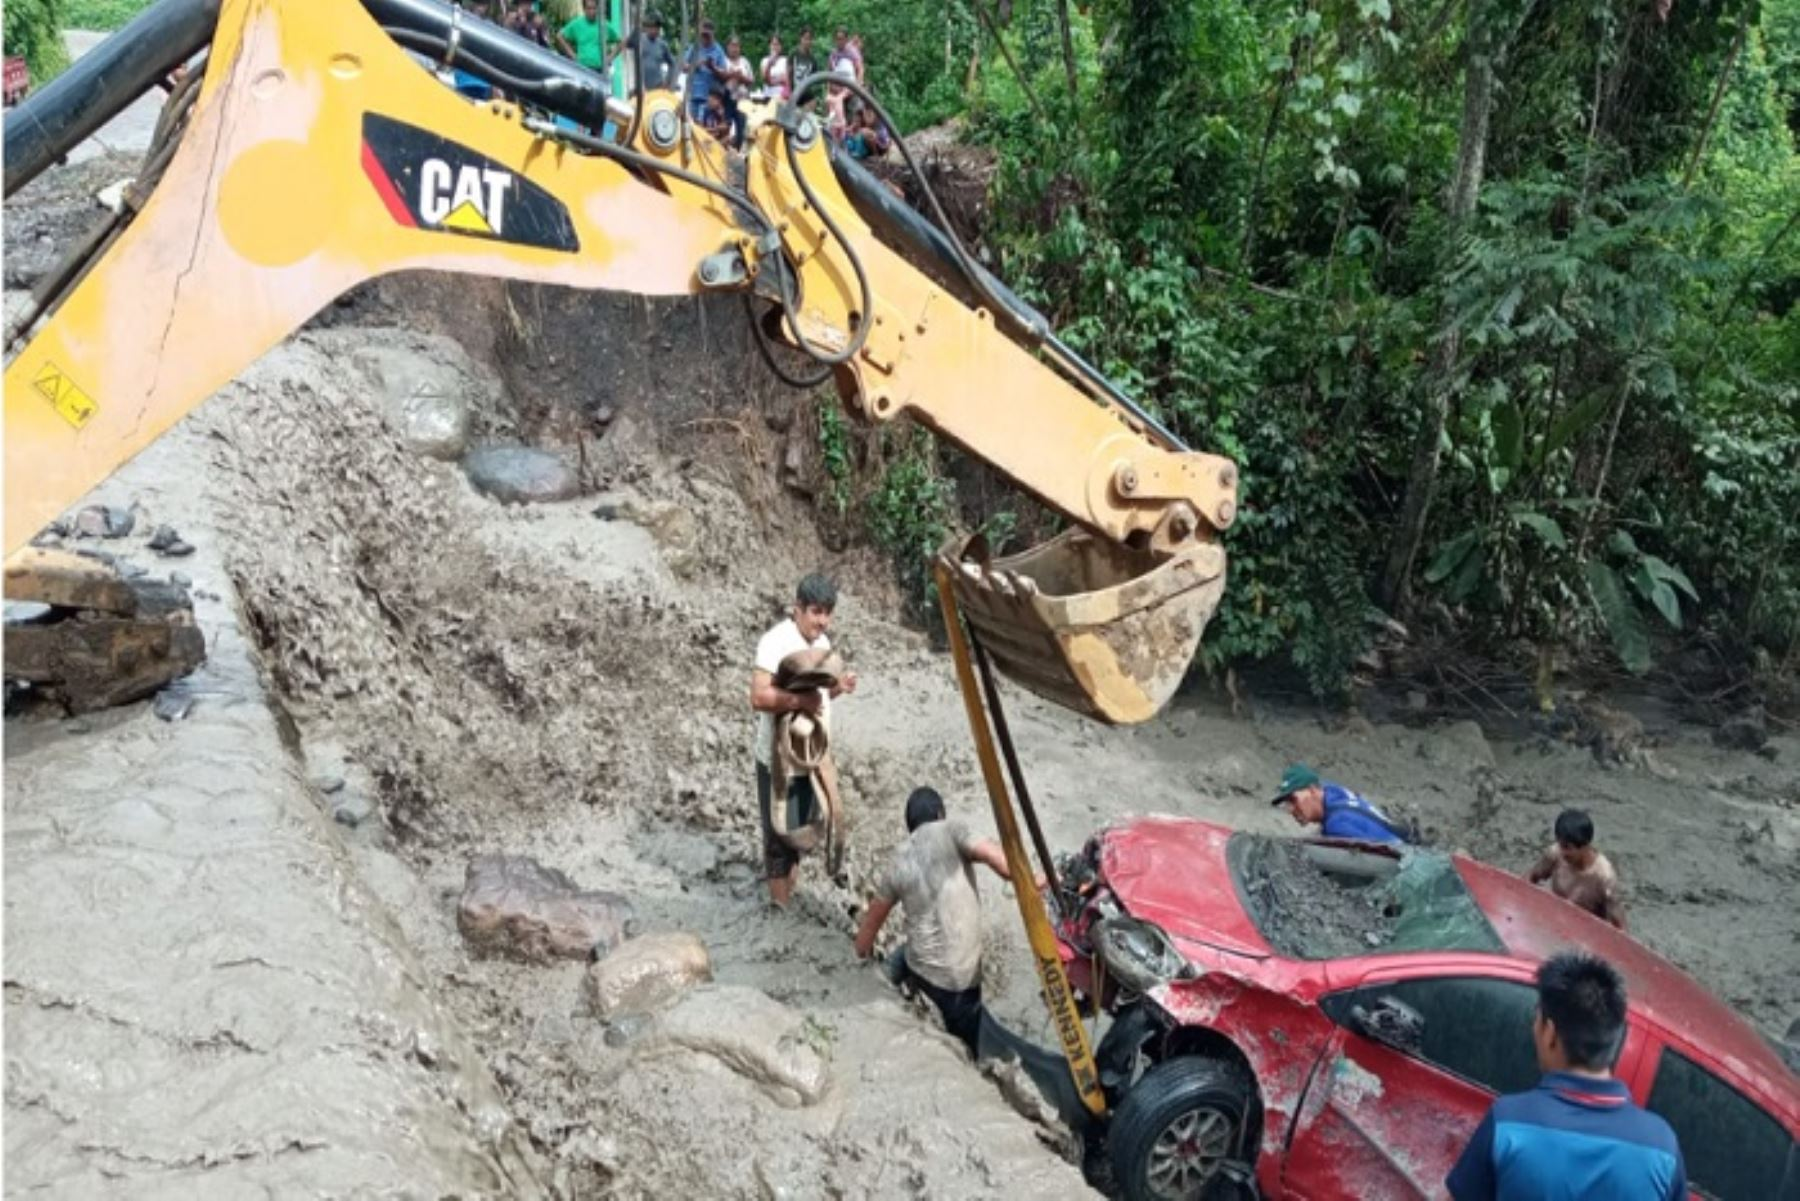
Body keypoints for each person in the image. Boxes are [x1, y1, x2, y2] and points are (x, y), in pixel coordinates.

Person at [1446, 952, 1685, 1201]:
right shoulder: (1662, 1148)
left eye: (1537, 1019)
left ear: (1550, 1033)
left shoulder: (1508, 1123)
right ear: (1612, 1037)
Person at [853, 788, 1020, 1053]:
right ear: (940, 814)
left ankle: (884, 992)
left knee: (902, 957)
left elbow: (870, 925)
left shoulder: (897, 859)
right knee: (967, 1047)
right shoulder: (953, 830)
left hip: (920, 968)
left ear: (910, 826)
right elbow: (1002, 863)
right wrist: (1035, 880)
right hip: (959, 985)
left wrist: (857, 962)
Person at [751, 573, 857, 908]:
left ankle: (788, 898)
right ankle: (780, 909)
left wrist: (839, 689)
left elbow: (819, 699)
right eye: (816, 612)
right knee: (777, 837)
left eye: (828, 613)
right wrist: (799, 701)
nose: (822, 621)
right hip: (778, 759)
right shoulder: (775, 642)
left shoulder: (822, 645)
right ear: (797, 608)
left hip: (810, 758)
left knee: (797, 833)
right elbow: (758, 696)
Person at [1527, 809, 1627, 930]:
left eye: (1567, 847)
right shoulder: (1555, 853)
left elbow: (1619, 928)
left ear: (1585, 846)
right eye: (1560, 844)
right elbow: (1530, 878)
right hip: (1556, 919)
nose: (1562, 852)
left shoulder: (1605, 877)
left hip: (1586, 931)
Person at [1269, 763, 1416, 844]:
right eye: (1287, 802)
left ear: (1313, 790)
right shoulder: (1333, 792)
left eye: (1293, 799)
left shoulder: (1337, 823)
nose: (1290, 809)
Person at [682, 19, 727, 125]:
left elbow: (724, 74)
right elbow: (683, 67)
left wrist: (713, 67)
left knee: (705, 126)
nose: (705, 38)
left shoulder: (718, 50)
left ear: (713, 34)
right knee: (693, 125)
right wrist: (695, 65)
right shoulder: (694, 47)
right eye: (703, 35)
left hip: (709, 98)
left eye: (707, 35)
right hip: (694, 95)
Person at [620, 10, 678, 93]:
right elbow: (625, 44)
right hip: (641, 88)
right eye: (652, 27)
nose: (654, 30)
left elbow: (673, 64)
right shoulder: (639, 39)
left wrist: (668, 81)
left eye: (657, 28)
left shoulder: (662, 45)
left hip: (658, 87)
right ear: (647, 27)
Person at [554, 0, 610, 72]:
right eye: (589, 8)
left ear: (597, 9)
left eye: (594, 8)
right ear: (584, 9)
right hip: (582, 68)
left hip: (599, 68)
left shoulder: (603, 24)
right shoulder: (577, 23)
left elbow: (620, 42)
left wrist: (610, 58)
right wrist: (572, 54)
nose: (592, 11)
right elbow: (559, 36)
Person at [721, 34, 755, 147]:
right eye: (732, 45)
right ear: (727, 47)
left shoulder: (745, 62)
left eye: (737, 46)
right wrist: (731, 75)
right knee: (725, 129)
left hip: (743, 101)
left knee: (742, 131)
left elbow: (751, 81)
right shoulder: (723, 61)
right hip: (727, 100)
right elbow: (719, 78)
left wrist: (741, 78)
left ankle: (739, 152)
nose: (735, 49)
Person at [789, 28, 820, 94]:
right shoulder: (793, 54)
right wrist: (789, 92)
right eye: (805, 38)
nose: (807, 41)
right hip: (794, 92)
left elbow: (814, 79)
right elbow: (788, 74)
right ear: (801, 38)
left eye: (810, 39)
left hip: (806, 92)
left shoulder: (813, 59)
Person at [760, 34, 790, 99]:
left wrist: (772, 80)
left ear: (781, 46)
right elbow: (765, 80)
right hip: (767, 95)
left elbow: (786, 79)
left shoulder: (785, 60)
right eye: (773, 44)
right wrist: (769, 66)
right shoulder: (764, 61)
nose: (775, 47)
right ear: (769, 46)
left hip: (782, 95)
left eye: (778, 44)